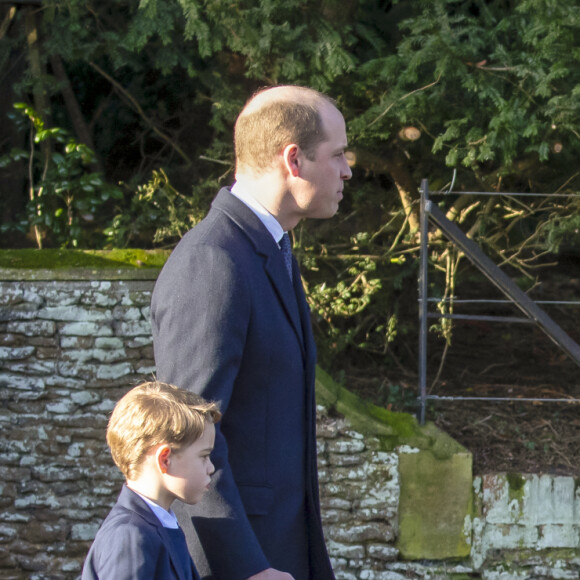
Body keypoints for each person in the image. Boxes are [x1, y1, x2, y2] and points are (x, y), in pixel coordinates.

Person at [151, 85, 352, 580]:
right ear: (293, 159)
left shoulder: (269, 250)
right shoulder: (213, 262)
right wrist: (244, 568)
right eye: (339, 154)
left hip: (281, 548)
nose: (348, 170)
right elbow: (186, 435)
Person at [81, 381, 221, 580]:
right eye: (204, 456)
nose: (211, 467)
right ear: (165, 459)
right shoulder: (129, 537)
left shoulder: (162, 523)